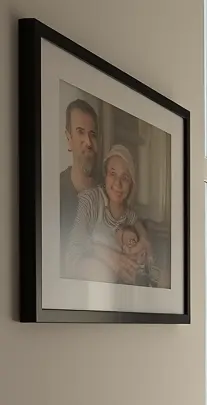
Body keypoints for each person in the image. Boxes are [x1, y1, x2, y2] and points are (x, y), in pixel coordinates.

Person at [64, 144, 153, 285]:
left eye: (125, 177)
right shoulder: (90, 200)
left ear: (131, 184)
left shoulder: (130, 216)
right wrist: (107, 255)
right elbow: (71, 255)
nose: (118, 183)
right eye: (113, 174)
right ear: (105, 176)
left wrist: (142, 244)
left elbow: (144, 241)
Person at [59, 99, 98, 251]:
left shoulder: (109, 190)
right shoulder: (54, 192)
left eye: (93, 134)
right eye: (80, 132)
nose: (88, 142)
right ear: (69, 139)